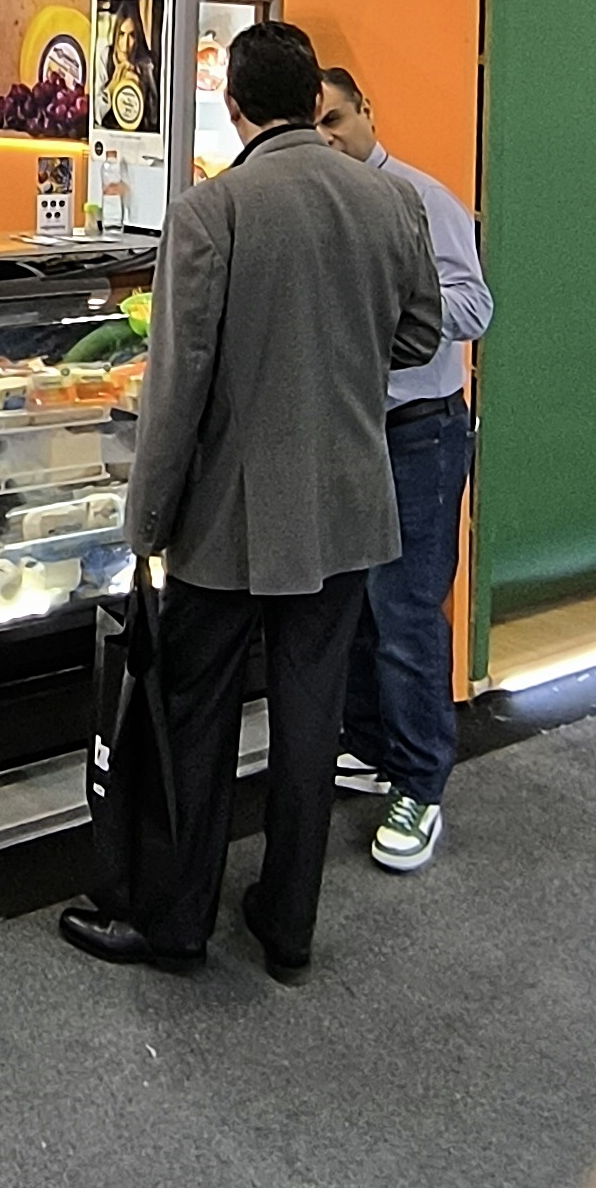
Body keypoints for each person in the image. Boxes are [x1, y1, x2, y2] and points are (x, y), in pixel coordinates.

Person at [60, 21, 441, 983]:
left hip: (227, 514)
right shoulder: (390, 199)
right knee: (312, 721)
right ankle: (288, 923)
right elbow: (421, 334)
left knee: (196, 716)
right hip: (348, 505)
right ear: (316, 100)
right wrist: (339, 361)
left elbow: (177, 386)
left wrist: (146, 521)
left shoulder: (210, 211)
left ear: (232, 107)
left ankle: (176, 920)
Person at [318, 67, 494, 872]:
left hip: (420, 435)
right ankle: (368, 746)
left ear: (367, 112)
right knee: (355, 604)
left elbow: (475, 305)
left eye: (337, 120)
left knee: (407, 613)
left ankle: (421, 784)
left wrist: (396, 307)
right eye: (315, 127)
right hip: (350, 433)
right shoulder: (320, 210)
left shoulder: (424, 200)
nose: (328, 139)